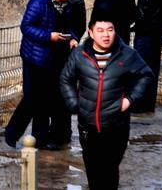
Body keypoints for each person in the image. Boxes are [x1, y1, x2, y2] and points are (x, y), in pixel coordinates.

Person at [60, 12, 154, 190]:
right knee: (94, 174)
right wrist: (74, 103)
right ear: (91, 32)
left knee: (109, 172)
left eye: (110, 30)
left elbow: (145, 75)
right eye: (100, 30)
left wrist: (129, 100)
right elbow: (66, 79)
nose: (106, 34)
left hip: (116, 126)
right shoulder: (80, 54)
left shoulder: (126, 54)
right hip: (88, 126)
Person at [4, 0, 85, 150]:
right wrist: (49, 37)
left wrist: (73, 38)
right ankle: (12, 133)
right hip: (35, 58)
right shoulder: (38, 2)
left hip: (56, 58)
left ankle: (39, 140)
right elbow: (26, 27)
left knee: (47, 98)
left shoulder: (69, 3)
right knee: (33, 97)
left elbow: (73, 27)